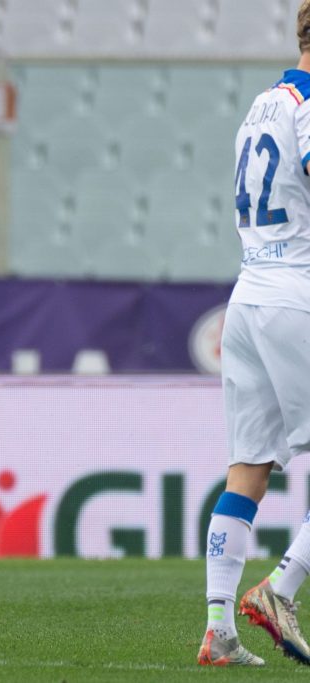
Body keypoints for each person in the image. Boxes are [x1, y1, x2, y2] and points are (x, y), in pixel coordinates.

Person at [198, 1, 310, 666]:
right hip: (297, 294)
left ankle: (218, 627)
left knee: (247, 470)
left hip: (248, 294)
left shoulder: (262, 104)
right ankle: (281, 588)